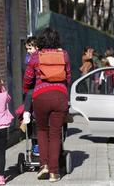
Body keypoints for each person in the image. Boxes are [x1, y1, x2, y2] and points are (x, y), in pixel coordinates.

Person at [23, 27, 71, 182]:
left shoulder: (36, 56)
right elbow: (68, 77)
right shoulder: (64, 55)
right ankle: (54, 172)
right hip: (60, 97)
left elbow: (28, 78)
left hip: (40, 98)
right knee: (55, 133)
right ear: (56, 40)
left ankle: (43, 165)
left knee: (42, 131)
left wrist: (27, 90)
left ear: (42, 40)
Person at [22, 36, 38, 125]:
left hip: (38, 81)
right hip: (33, 81)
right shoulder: (29, 57)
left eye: (30, 48)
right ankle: (27, 112)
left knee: (29, 93)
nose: (28, 51)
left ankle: (28, 112)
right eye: (27, 49)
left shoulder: (39, 56)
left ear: (37, 47)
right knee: (28, 94)